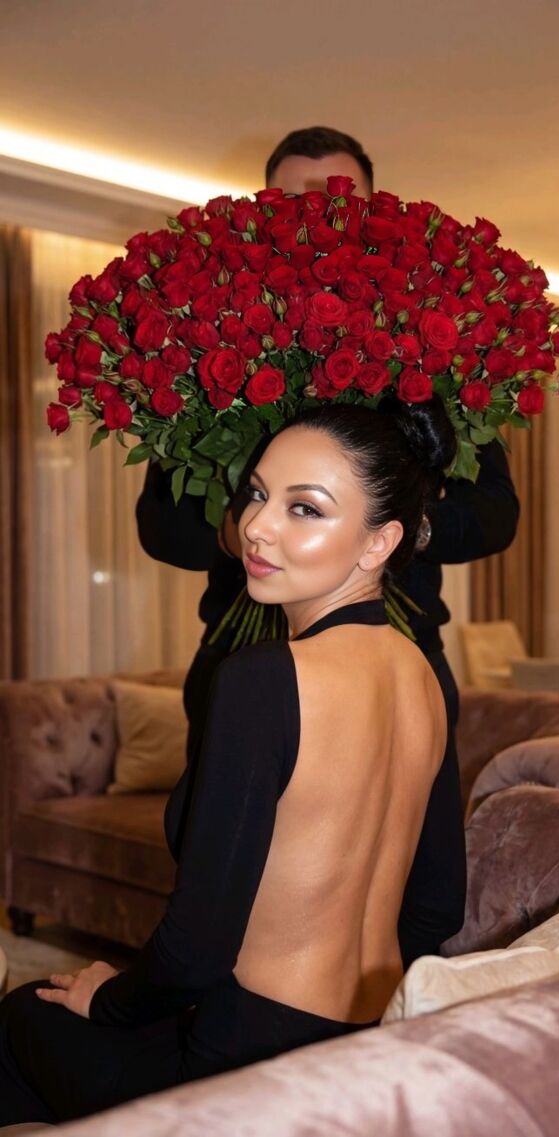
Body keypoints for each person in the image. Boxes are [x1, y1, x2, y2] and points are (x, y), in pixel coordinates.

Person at [0, 397, 452, 1125]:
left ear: (380, 542)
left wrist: (109, 999)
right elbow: (437, 906)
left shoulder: (263, 678)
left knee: (26, 1012)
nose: (257, 527)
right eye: (258, 494)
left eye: (304, 508)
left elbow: (198, 948)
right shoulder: (424, 677)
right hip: (364, 1047)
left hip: (243, 1063)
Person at [136, 126, 520, 953]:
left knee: (411, 885)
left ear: (377, 210)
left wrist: (385, 531)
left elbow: (497, 514)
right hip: (240, 646)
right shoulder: (215, 339)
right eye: (294, 201)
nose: (317, 216)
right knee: (213, 868)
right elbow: (160, 526)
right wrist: (255, 526)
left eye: (338, 198)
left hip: (402, 647)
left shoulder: (431, 339)